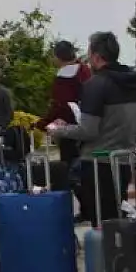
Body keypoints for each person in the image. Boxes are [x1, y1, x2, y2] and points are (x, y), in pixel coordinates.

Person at [50, 31, 136, 226]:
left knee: (102, 223)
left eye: (89, 53)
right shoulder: (131, 82)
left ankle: (105, 256)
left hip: (98, 162)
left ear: (96, 56)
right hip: (123, 160)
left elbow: (89, 131)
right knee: (118, 220)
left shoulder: (95, 85)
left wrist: (59, 130)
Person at [35, 40, 92, 165]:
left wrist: (43, 123)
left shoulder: (65, 76)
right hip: (90, 121)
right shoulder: (85, 70)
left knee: (70, 163)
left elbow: (60, 105)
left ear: (59, 57)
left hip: (70, 126)